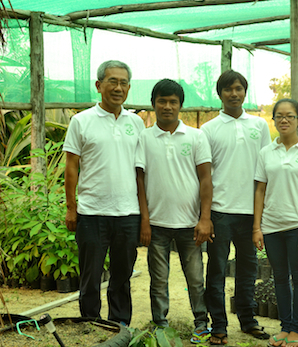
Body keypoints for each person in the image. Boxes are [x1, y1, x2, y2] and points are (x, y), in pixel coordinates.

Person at [64, 60, 144, 325]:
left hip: (127, 213)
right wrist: (71, 207)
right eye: (112, 81)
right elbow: (71, 167)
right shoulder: (81, 121)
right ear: (99, 86)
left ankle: (120, 325)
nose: (118, 88)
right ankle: (90, 324)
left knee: (122, 276)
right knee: (90, 275)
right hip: (91, 212)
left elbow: (140, 171)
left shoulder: (136, 123)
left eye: (123, 83)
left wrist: (144, 214)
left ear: (129, 88)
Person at [135, 79, 213, 343]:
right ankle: (160, 325)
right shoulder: (144, 137)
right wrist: (145, 221)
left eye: (173, 102)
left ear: (180, 105)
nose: (167, 107)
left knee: (195, 279)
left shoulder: (196, 136)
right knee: (158, 280)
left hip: (190, 224)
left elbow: (205, 180)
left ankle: (201, 323)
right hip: (156, 225)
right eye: (162, 101)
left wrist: (204, 219)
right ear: (153, 104)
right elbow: (140, 182)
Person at [201, 70, 271, 345]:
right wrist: (205, 215)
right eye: (228, 89)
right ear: (220, 94)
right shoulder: (208, 130)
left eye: (239, 88)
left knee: (248, 269)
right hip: (220, 211)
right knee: (216, 270)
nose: (234, 93)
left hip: (251, 213)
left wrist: (263, 213)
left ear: (245, 91)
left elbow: (265, 170)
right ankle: (218, 324)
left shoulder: (259, 126)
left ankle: (247, 319)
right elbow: (204, 176)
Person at [252, 99, 298, 347]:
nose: (284, 120)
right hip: (271, 226)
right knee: (279, 277)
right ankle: (285, 327)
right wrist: (257, 227)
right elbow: (260, 190)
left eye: (290, 116)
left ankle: (297, 330)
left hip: (296, 227)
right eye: (279, 116)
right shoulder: (266, 152)